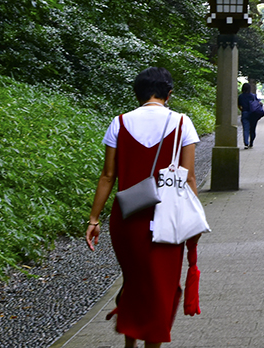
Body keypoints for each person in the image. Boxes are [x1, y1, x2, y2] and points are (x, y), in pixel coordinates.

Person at [85, 67, 200, 348]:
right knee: (161, 287)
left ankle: (129, 342)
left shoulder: (119, 123)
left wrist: (94, 219)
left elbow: (108, 176)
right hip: (168, 219)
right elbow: (190, 178)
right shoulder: (183, 123)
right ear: (169, 94)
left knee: (135, 281)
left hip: (127, 218)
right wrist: (194, 220)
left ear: (137, 93)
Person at [237, 82, 259, 149]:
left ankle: (246, 143)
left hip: (245, 113)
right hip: (253, 114)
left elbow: (239, 105)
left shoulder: (240, 96)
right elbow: (257, 104)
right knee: (252, 129)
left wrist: (242, 110)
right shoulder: (253, 96)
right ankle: (251, 142)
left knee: (245, 129)